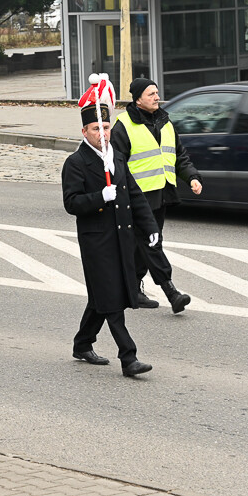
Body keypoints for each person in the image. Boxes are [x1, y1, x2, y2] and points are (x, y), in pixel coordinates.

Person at [64, 78, 160, 377]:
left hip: (121, 238)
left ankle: (82, 343)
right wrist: (99, 197)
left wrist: (149, 226)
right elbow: (72, 203)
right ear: (84, 131)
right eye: (96, 129)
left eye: (106, 128)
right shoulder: (76, 163)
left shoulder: (115, 157)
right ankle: (128, 358)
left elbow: (134, 194)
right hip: (96, 242)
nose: (103, 134)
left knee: (101, 297)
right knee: (111, 299)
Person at [110, 77, 200, 313]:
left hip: (162, 193)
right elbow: (116, 166)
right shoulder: (124, 125)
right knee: (152, 243)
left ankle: (133, 289)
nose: (157, 97)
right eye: (151, 94)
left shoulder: (165, 122)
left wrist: (192, 177)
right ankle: (172, 293)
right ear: (138, 99)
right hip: (137, 198)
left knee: (144, 245)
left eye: (157, 93)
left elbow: (179, 156)